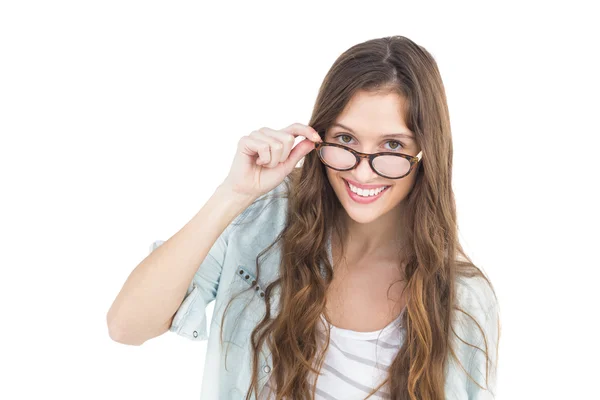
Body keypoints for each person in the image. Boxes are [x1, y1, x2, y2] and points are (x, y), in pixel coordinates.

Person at [107, 35, 500, 400]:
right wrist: (233, 195)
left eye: (392, 145)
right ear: (319, 135)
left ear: (427, 154)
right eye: (345, 140)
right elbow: (126, 327)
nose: (362, 173)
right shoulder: (263, 219)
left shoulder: (463, 299)